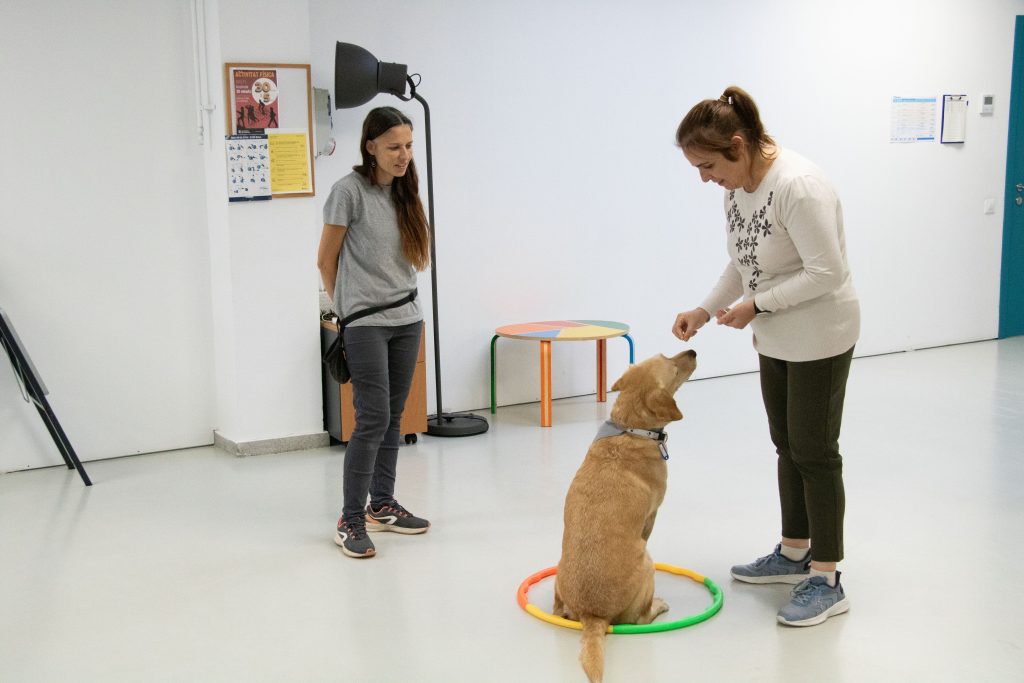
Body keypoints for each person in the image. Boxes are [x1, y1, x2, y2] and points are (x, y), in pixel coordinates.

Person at [672, 86, 860, 626]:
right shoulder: (738, 186)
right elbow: (742, 260)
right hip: (777, 335)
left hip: (821, 333)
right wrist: (706, 310)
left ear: (738, 144)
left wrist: (758, 304)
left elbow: (829, 273)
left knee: (815, 451)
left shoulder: (798, 187)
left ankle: (826, 579)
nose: (705, 178)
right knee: (786, 445)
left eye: (708, 165)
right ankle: (794, 550)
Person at [317, 106, 432, 559]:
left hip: (407, 318)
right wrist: (348, 311)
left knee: (393, 417)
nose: (403, 155)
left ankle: (381, 505)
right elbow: (326, 260)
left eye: (407, 146)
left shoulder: (406, 190)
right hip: (366, 322)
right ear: (370, 147)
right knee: (371, 420)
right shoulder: (348, 192)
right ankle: (349, 519)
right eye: (393, 147)